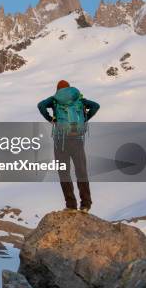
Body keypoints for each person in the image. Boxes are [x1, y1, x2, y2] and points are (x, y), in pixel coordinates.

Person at [37, 80, 100, 212]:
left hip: (61, 142)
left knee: (64, 173)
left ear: (58, 90)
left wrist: (51, 119)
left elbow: (41, 105)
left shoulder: (55, 100)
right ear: (70, 88)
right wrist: (85, 118)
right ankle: (85, 204)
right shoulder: (79, 99)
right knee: (81, 171)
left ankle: (71, 205)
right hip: (77, 139)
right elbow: (95, 106)